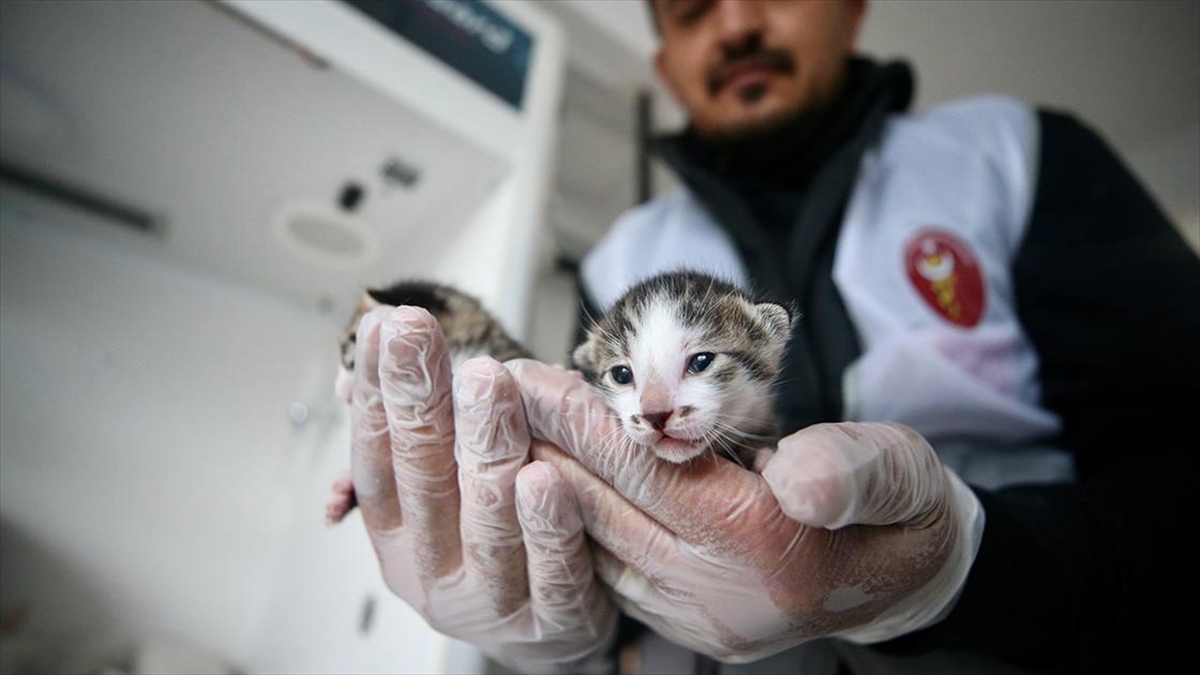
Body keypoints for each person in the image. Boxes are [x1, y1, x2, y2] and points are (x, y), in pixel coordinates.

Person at [342, 0, 1199, 672]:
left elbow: (1178, 453)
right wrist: (556, 623)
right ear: (666, 65)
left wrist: (971, 568)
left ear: (853, 6)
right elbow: (590, 491)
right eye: (692, 8)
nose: (739, 22)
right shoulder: (620, 260)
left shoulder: (1010, 154)